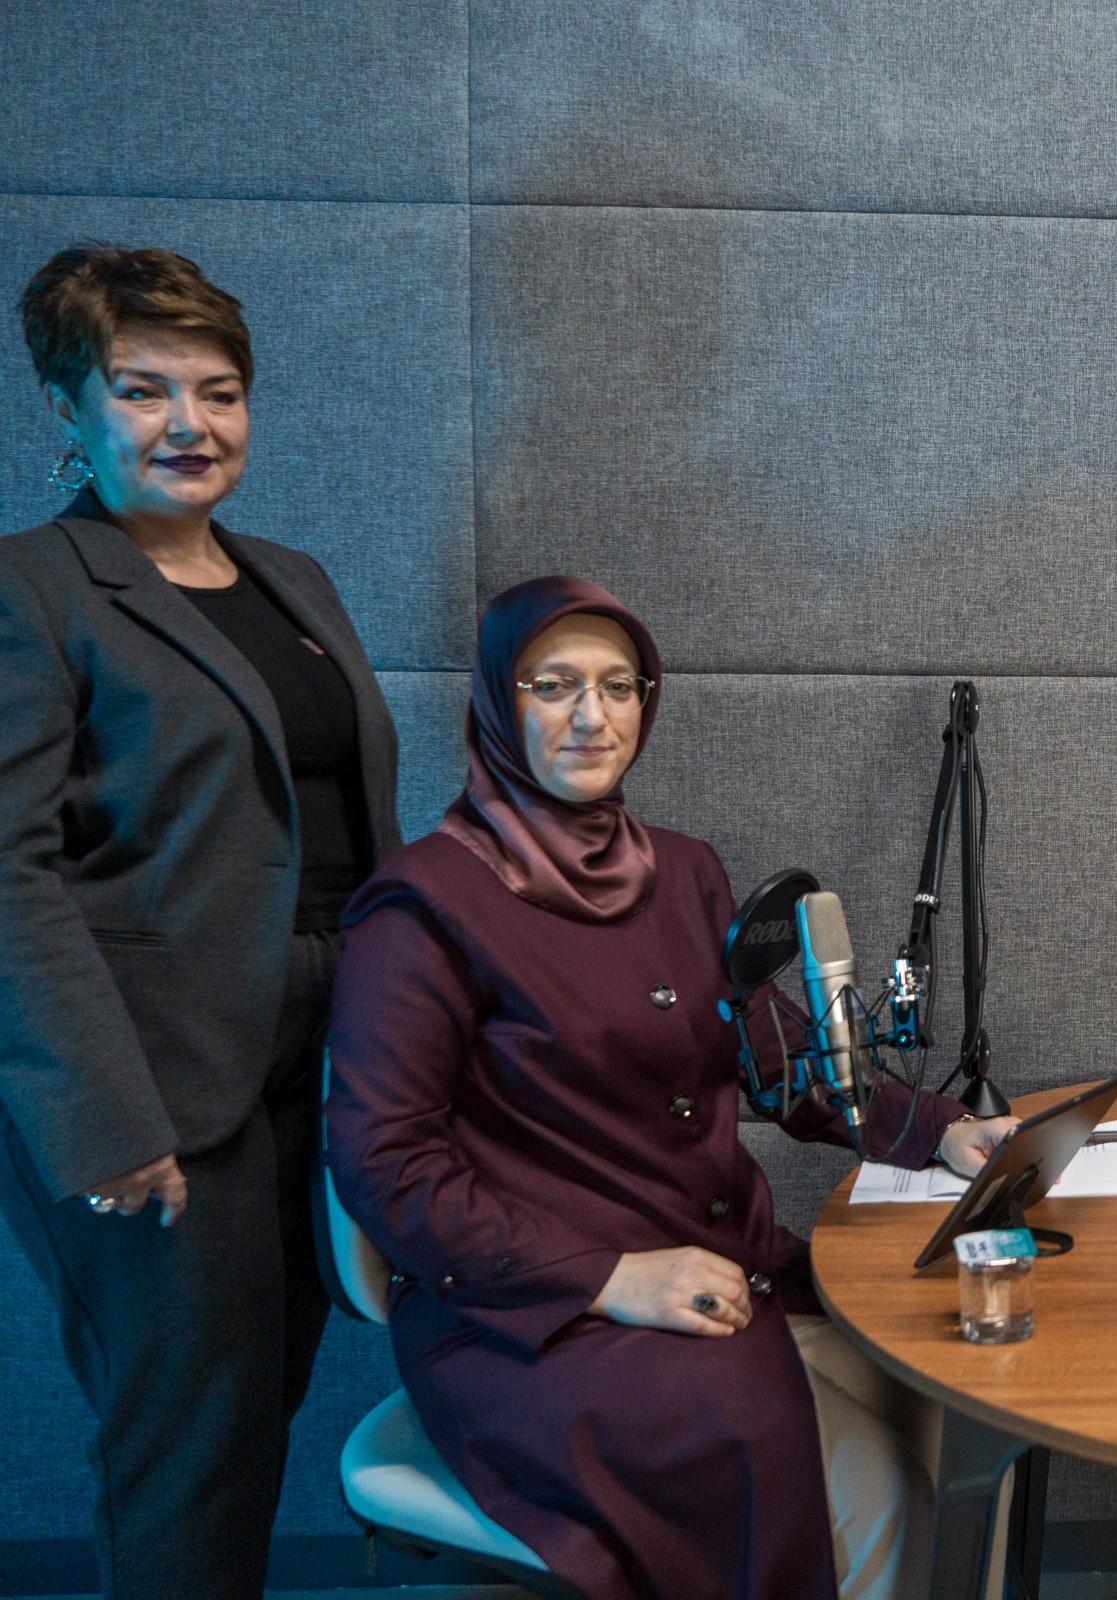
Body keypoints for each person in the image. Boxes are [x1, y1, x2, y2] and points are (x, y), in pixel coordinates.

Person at [325, 576, 1012, 1600]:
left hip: (717, 1267)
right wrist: (608, 1277)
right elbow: (386, 1166)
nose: (591, 716)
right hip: (536, 1317)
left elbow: (776, 1053)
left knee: (949, 1383)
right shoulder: (419, 906)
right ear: (499, 702)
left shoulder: (685, 872)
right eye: (553, 685)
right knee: (865, 1490)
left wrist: (943, 1130)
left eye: (618, 685)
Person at [0, 244, 401, 1598]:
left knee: (263, 1397)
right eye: (143, 390)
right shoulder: (33, 588)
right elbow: (8, 875)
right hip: (151, 1070)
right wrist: (106, 1117)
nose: (190, 423)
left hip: (326, 1048)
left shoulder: (292, 578)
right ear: (68, 407)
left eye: (219, 392)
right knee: (190, 1437)